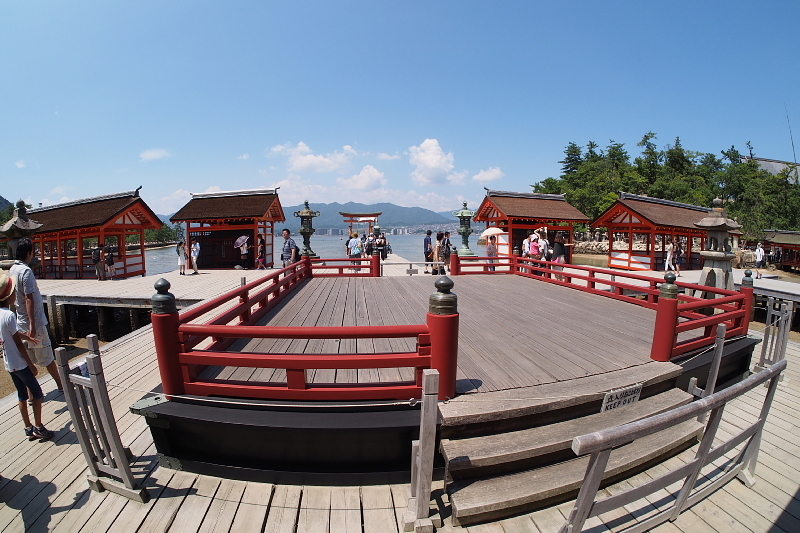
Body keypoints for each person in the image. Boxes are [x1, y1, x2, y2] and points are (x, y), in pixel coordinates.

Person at [0, 273, 54, 442]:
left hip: (9, 364)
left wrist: (27, 337)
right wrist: (31, 365)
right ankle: (39, 427)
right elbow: (18, 344)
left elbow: (12, 335)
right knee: (37, 394)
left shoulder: (1, 315)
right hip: (20, 364)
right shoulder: (9, 315)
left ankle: (28, 428)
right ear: (9, 295)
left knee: (22, 396)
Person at [9, 238, 63, 392]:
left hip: (20, 320)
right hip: (35, 321)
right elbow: (29, 298)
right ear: (28, 252)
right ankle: (60, 385)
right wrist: (33, 324)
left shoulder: (12, 269)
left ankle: (33, 390)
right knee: (47, 355)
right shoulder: (26, 271)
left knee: (28, 357)